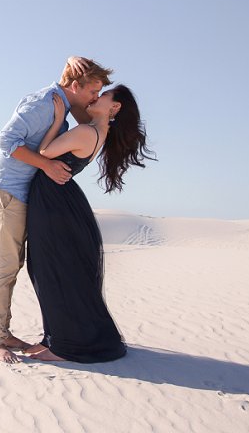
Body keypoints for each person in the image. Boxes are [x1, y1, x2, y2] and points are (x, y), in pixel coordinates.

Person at [0, 56, 114, 364]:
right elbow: (5, 140)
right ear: (76, 86)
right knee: (4, 266)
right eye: (93, 91)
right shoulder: (45, 102)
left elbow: (90, 121)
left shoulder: (63, 107)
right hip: (7, 188)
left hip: (24, 192)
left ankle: (2, 332)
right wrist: (47, 165)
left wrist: (71, 60)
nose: (95, 98)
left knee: (15, 264)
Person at [23, 84, 155, 363]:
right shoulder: (97, 131)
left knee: (53, 270)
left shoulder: (86, 132)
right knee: (52, 269)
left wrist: (58, 120)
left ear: (115, 107)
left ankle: (65, 346)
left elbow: (44, 152)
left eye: (102, 95)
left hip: (54, 202)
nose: (95, 97)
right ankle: (55, 338)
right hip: (58, 200)